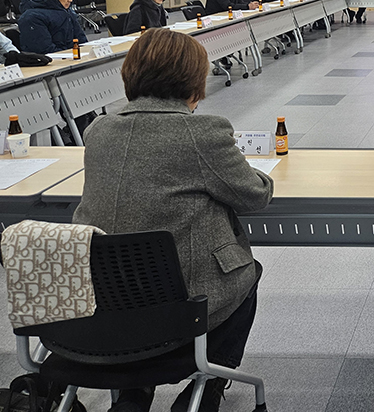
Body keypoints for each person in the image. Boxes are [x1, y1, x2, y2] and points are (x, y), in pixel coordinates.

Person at [73, 28, 273, 412]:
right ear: (194, 81)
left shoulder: (98, 130)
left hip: (105, 301)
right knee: (247, 273)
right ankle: (210, 383)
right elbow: (254, 195)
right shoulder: (201, 132)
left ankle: (134, 393)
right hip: (179, 308)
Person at [18, 0, 87, 54]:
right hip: (53, 58)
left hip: (70, 55)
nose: (70, 0)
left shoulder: (68, 12)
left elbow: (81, 39)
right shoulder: (32, 17)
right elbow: (43, 49)